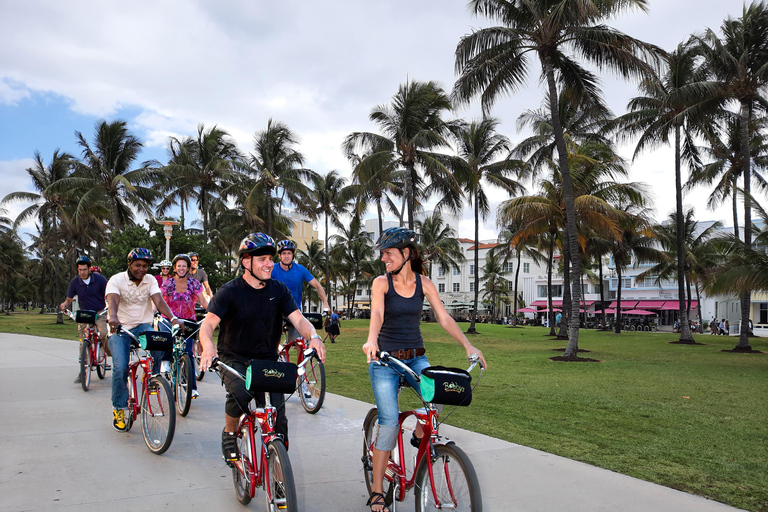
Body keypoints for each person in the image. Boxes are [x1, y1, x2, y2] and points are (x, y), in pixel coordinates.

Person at [361, 227, 487, 512]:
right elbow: (377, 313)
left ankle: (419, 435)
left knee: (440, 394)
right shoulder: (381, 283)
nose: (383, 258)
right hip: (385, 361)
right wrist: (372, 340)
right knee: (389, 423)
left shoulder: (424, 284)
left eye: (388, 253)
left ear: (406, 253)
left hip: (416, 358)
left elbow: (444, 318)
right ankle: (378, 491)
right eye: (382, 254)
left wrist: (468, 345)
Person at [198, 233, 326, 465]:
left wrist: (314, 337)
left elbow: (299, 319)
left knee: (279, 420)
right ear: (246, 262)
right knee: (240, 392)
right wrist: (207, 347)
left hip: (267, 359)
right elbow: (208, 324)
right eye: (262, 259)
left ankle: (277, 469)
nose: (269, 264)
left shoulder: (279, 290)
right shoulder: (229, 291)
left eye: (270, 259)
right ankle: (229, 434)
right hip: (234, 357)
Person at [106, 248, 181, 431]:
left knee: (160, 340)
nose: (141, 269)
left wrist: (173, 318)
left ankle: (153, 379)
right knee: (121, 368)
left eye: (145, 266)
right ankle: (119, 408)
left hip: (142, 326)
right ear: (129, 264)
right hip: (120, 328)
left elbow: (159, 301)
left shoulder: (150, 280)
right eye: (137, 265)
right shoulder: (116, 280)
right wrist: (113, 317)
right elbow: (113, 300)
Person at [158, 253, 208, 398]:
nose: (181, 268)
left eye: (184, 266)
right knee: (166, 337)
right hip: (170, 319)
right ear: (175, 267)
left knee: (188, 353)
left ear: (187, 268)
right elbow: (159, 299)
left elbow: (203, 301)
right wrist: (153, 311)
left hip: (188, 321)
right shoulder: (168, 283)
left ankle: (191, 388)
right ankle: (166, 360)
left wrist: (213, 312)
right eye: (179, 266)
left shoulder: (194, 283)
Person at [59, 255, 109, 384]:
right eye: (80, 270)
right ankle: (83, 370)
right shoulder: (75, 282)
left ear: (90, 269)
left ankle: (104, 350)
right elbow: (69, 299)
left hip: (99, 312)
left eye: (84, 269)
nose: (82, 272)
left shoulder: (100, 279)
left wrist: (110, 305)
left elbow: (109, 294)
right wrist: (65, 304)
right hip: (85, 313)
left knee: (103, 332)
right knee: (83, 340)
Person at [271, 239, 330, 340]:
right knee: (272, 339)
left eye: (289, 253)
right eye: (284, 253)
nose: (286, 256)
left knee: (298, 341)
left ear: (292, 255)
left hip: (294, 311)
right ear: (279, 256)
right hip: (276, 310)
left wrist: (325, 304)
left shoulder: (300, 270)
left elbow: (317, 286)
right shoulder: (272, 269)